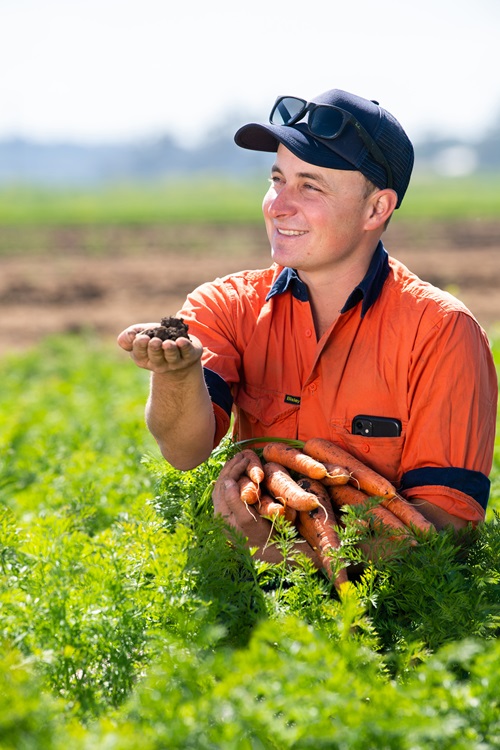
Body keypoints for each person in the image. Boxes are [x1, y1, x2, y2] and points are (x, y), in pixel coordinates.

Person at [117, 88, 498, 566]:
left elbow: (448, 524)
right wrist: (175, 373)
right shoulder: (225, 307)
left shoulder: (440, 331)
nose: (279, 205)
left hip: (382, 621)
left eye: (309, 186)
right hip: (250, 604)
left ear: (376, 209)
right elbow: (183, 449)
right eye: (277, 180)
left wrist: (287, 556)